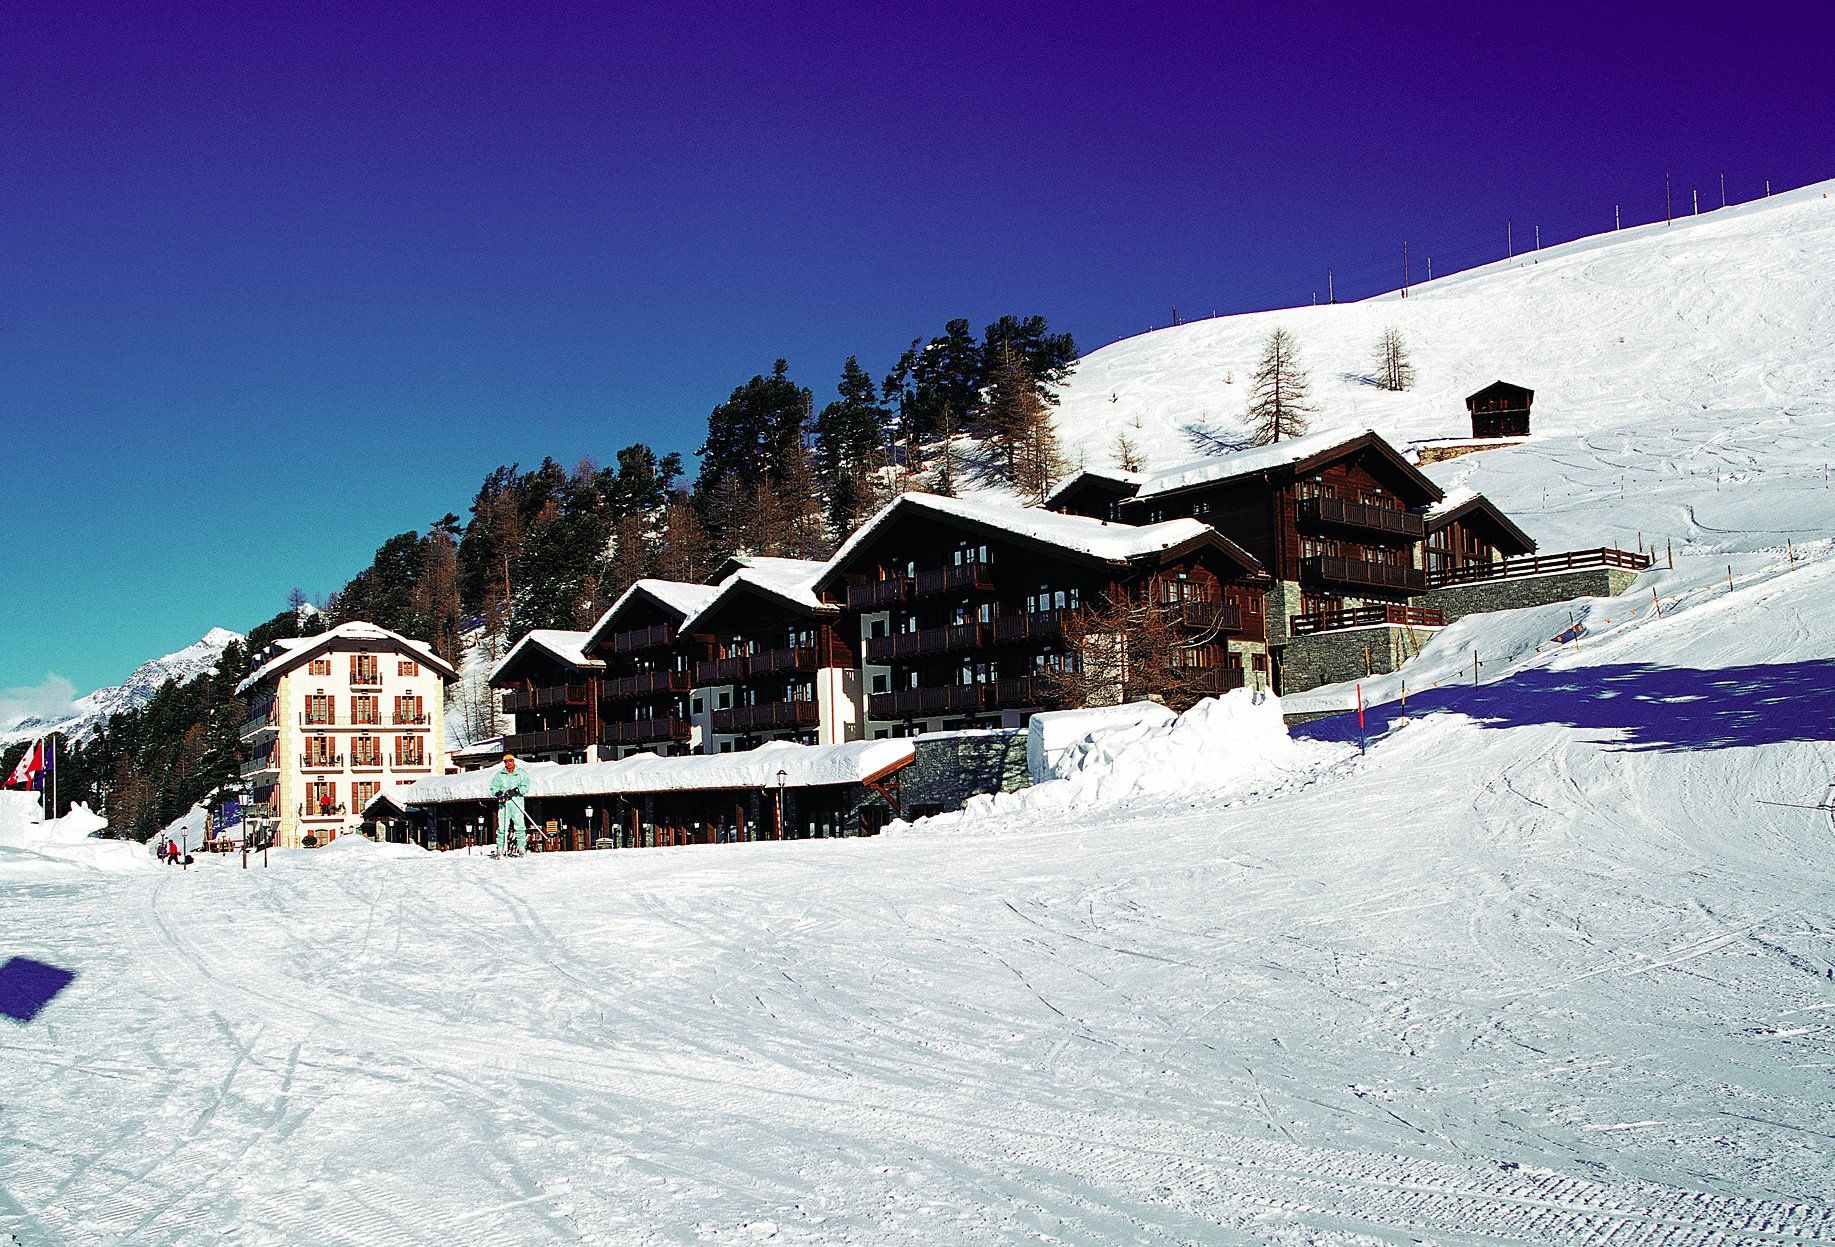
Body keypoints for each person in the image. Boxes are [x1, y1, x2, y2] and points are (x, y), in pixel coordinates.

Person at [489, 753, 532, 858]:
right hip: (504, 804)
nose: (508, 763)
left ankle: (522, 848)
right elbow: (493, 787)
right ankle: (500, 849)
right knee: (502, 827)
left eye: (510, 761)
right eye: (506, 761)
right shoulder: (500, 775)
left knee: (520, 826)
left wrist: (516, 790)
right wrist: (498, 793)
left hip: (517, 803)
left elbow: (525, 786)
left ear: (514, 761)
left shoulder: (521, 773)